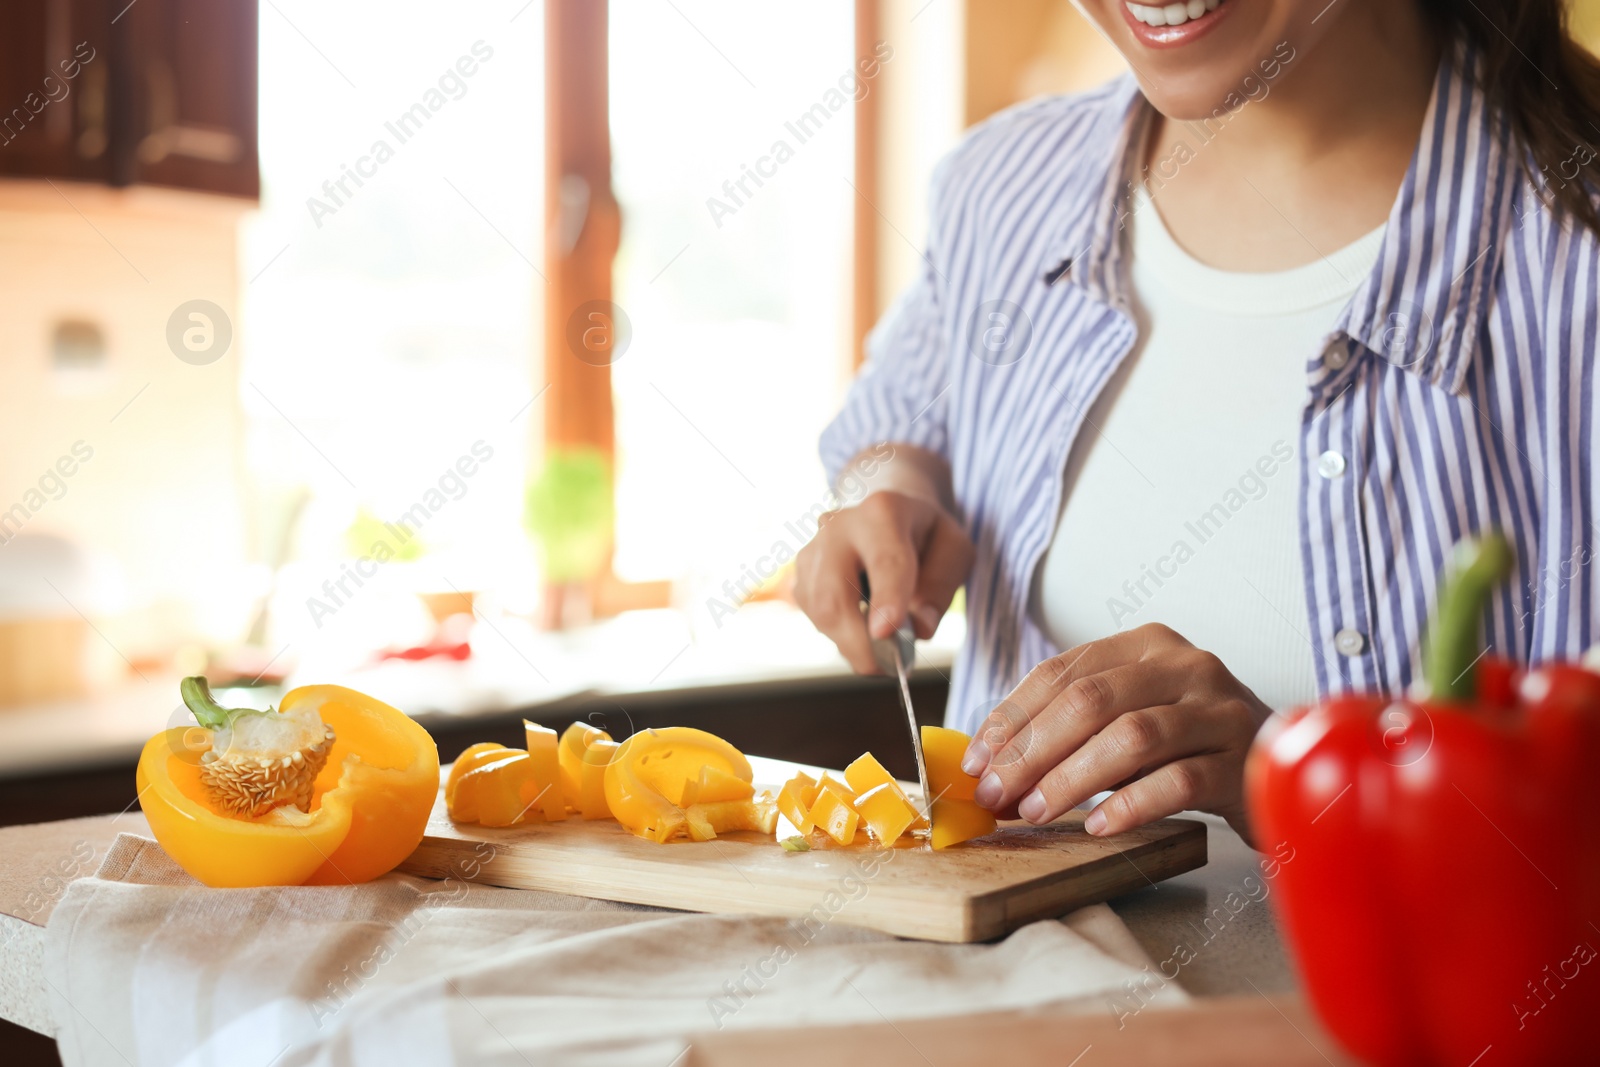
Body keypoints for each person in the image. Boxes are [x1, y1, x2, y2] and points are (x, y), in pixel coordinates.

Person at [796, 0, 1600, 845]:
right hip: (1006, 980)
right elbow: (887, 429)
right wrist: (890, 490)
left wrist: (1286, 779)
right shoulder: (1002, 185)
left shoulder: (1568, 260)